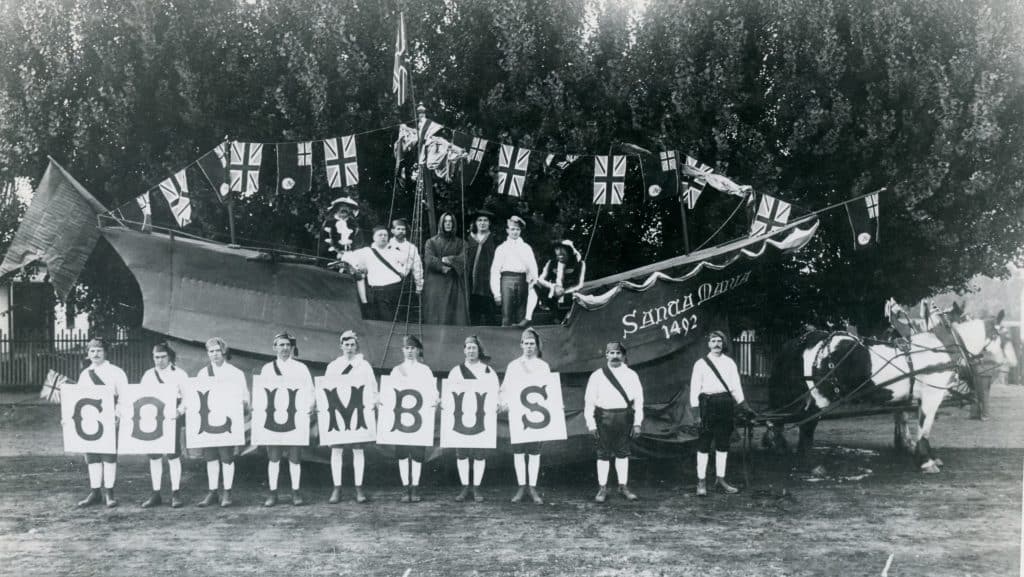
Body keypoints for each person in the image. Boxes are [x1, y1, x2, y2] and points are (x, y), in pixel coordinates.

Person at [689, 330, 752, 496]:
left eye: (719, 341)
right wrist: (696, 413)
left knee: (723, 444)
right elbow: (694, 389)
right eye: (713, 341)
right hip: (707, 406)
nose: (716, 344)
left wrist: (744, 405)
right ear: (708, 344)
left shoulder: (730, 363)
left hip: (725, 405)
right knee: (704, 444)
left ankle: (720, 480)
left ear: (723, 344)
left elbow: (735, 387)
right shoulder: (700, 364)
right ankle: (701, 482)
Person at [260, 332, 315, 507]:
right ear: (274, 347)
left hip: (295, 419)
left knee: (295, 458)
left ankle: (296, 492)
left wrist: (309, 407)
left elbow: (310, 392)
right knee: (273, 458)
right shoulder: (267, 369)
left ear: (292, 348)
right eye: (281, 345)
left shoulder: (301, 368)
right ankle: (273, 493)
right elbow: (262, 394)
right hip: (274, 419)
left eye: (287, 345)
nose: (284, 348)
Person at [584, 342, 644, 502]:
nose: (615, 356)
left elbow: (639, 400)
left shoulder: (631, 375)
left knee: (622, 453)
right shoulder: (597, 375)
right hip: (603, 418)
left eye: (618, 353)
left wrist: (637, 423)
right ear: (606, 355)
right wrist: (591, 424)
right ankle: (602, 488)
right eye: (612, 353)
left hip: (624, 418)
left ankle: (623, 486)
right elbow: (589, 402)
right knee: (603, 454)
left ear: (623, 356)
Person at [73, 337, 128, 508]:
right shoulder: (84, 374)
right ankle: (95, 491)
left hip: (109, 418)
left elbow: (124, 397)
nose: (95, 354)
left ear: (105, 352)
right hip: (90, 420)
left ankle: (109, 492)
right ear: (88, 354)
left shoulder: (116, 372)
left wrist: (118, 415)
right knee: (92, 456)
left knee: (108, 456)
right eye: (92, 351)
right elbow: (78, 399)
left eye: (99, 351)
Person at [194, 337, 249, 508]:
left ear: (224, 351)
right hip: (209, 421)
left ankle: (227, 492)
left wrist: (243, 405)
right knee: (210, 458)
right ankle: (212, 492)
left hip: (227, 422)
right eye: (211, 351)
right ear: (207, 354)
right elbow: (198, 397)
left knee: (226, 458)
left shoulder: (235, 373)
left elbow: (245, 397)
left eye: (217, 350)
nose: (215, 354)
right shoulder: (203, 373)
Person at [324, 330, 377, 504]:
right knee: (337, 450)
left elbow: (372, 387)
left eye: (352, 344)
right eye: (346, 345)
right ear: (341, 346)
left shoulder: (364, 366)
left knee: (358, 449)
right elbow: (326, 389)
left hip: (357, 411)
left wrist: (373, 403)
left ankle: (358, 488)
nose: (349, 348)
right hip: (339, 412)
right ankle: (337, 488)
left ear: (356, 346)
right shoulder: (333, 366)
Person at [500, 328, 550, 504]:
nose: (529, 346)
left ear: (536, 346)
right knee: (519, 452)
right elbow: (505, 388)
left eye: (532, 344)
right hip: (518, 414)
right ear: (521, 345)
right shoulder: (513, 366)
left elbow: (548, 390)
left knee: (535, 452)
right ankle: (522, 486)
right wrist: (504, 403)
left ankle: (533, 487)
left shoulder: (543, 366)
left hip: (536, 415)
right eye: (526, 343)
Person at [446, 335, 498, 502]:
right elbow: (450, 394)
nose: (471, 350)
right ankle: (464, 487)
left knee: (479, 453)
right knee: (461, 453)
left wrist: (498, 404)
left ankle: (476, 487)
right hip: (461, 416)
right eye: (468, 347)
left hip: (480, 417)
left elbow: (495, 393)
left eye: (474, 347)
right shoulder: (456, 371)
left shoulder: (487, 371)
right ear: (464, 350)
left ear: (479, 350)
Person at [139, 342, 189, 509]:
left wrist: (179, 411)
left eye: (162, 357)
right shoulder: (148, 375)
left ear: (169, 357)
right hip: (153, 418)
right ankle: (156, 493)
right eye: (156, 357)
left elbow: (188, 397)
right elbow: (142, 396)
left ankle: (176, 493)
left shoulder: (180, 374)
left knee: (173, 455)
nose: (159, 360)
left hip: (172, 417)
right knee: (154, 456)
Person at [390, 335, 437, 503]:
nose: (410, 351)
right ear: (403, 350)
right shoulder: (396, 370)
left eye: (413, 348)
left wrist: (435, 400)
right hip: (401, 417)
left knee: (417, 454)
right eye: (407, 348)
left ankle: (415, 487)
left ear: (418, 350)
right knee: (402, 454)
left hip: (419, 418)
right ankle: (405, 487)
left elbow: (432, 392)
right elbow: (390, 392)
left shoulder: (425, 370)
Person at [342, 226, 406, 321]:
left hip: (395, 289)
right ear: (374, 237)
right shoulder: (366, 251)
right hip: (378, 291)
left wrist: (402, 270)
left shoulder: (394, 251)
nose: (383, 237)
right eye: (380, 235)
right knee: (384, 320)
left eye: (385, 235)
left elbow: (408, 263)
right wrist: (358, 265)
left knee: (395, 320)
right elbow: (346, 257)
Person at [490, 216, 538, 327]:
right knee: (507, 314)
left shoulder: (526, 248)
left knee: (522, 314)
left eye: (517, 229)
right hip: (506, 281)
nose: (515, 232)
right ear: (507, 230)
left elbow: (533, 267)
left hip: (522, 281)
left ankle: (522, 341)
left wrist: (533, 284)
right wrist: (496, 293)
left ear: (520, 231)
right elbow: (495, 271)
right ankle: (505, 342)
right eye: (512, 229)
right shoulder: (501, 248)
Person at [524, 240, 586, 325]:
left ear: (570, 250)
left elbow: (579, 284)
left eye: (563, 249)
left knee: (563, 317)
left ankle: (562, 319)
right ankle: (528, 317)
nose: (559, 252)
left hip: (570, 295)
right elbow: (541, 279)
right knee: (535, 285)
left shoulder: (580, 264)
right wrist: (553, 287)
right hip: (553, 294)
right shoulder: (551, 263)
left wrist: (564, 291)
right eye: (557, 249)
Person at [423, 212, 469, 325]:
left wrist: (449, 259)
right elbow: (428, 259)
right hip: (436, 283)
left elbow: (463, 259)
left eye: (450, 222)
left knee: (454, 314)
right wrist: (442, 265)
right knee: (436, 313)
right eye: (445, 221)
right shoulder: (431, 242)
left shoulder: (461, 243)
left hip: (454, 282)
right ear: (441, 223)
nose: (448, 224)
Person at [466, 208, 499, 325]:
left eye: (485, 220)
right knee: (474, 316)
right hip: (472, 284)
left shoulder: (494, 239)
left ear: (489, 223)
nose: (482, 223)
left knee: (490, 317)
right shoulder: (469, 239)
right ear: (475, 223)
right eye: (479, 220)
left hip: (488, 284)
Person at [387, 218, 424, 297]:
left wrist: (419, 286)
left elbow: (417, 267)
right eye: (398, 229)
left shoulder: (411, 247)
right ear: (392, 231)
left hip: (405, 284)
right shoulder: (386, 246)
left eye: (403, 229)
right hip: (387, 284)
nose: (401, 231)